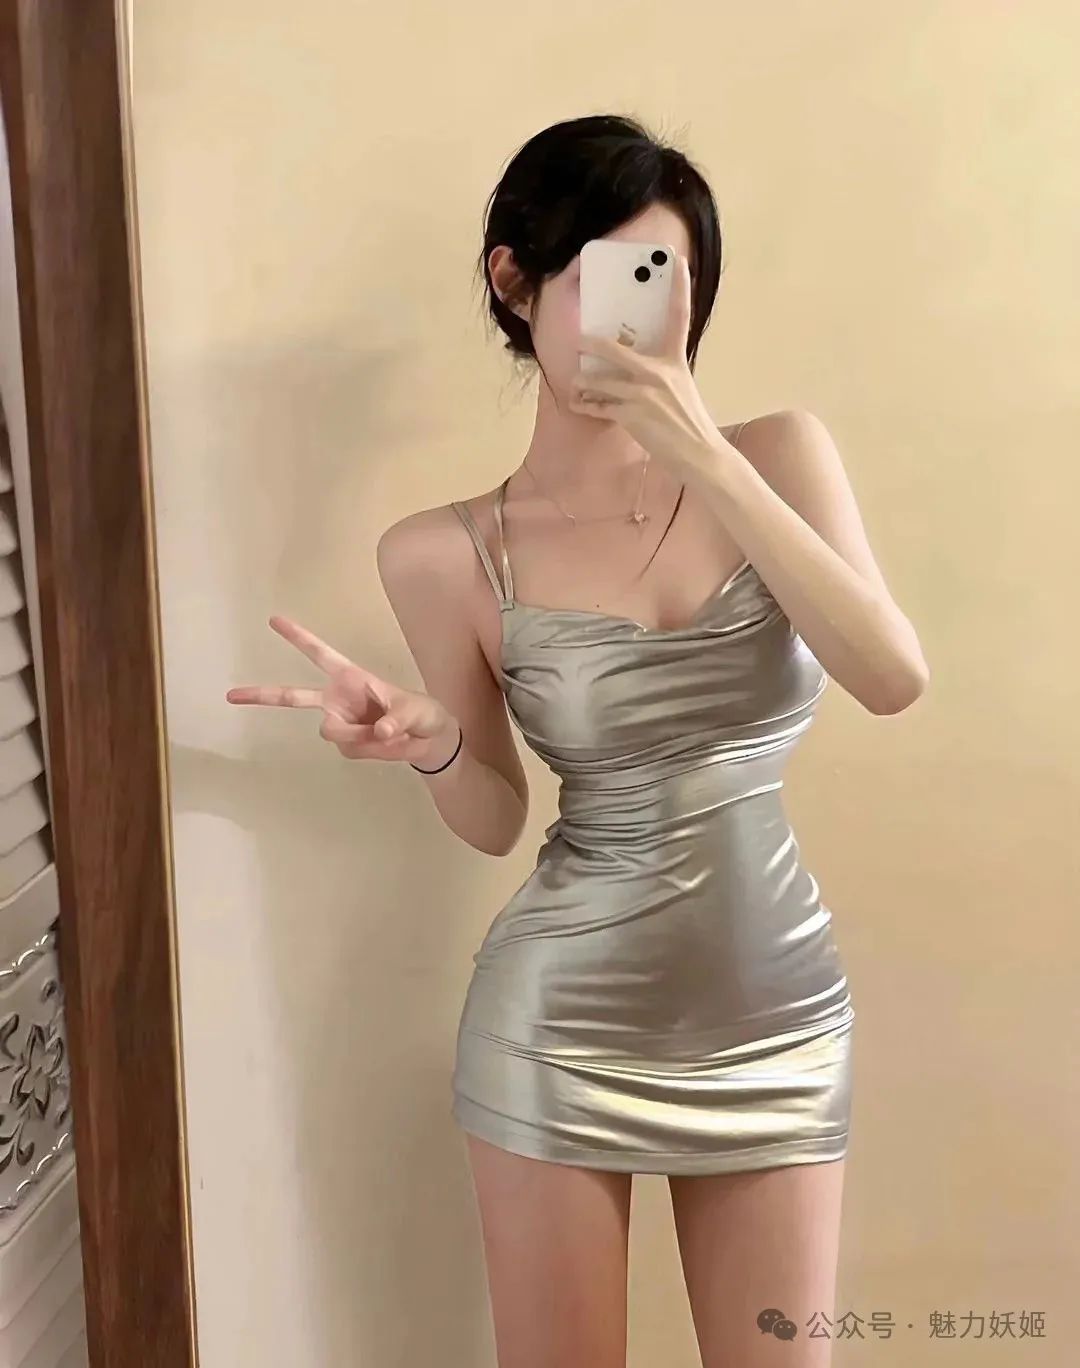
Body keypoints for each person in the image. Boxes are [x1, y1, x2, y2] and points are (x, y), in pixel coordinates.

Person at [226, 113, 929, 1368]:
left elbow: (891, 676)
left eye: (671, 283)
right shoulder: (443, 553)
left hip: (777, 1015)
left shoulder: (779, 457)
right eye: (615, 277)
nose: (646, 320)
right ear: (516, 281)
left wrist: (700, 451)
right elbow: (496, 816)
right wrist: (435, 744)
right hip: (558, 1024)